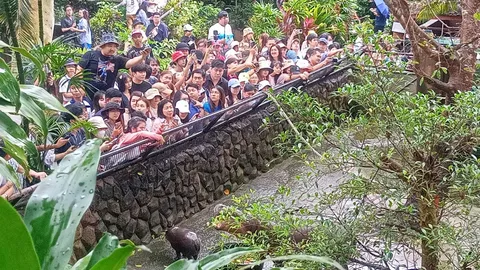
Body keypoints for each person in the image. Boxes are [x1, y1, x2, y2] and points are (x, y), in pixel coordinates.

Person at [77, 33, 150, 97]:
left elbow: (130, 63)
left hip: (107, 95)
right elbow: (79, 69)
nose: (112, 48)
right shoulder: (90, 55)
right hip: (89, 93)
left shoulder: (116, 59)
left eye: (114, 46)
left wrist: (142, 56)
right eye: (110, 46)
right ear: (102, 46)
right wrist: (80, 87)